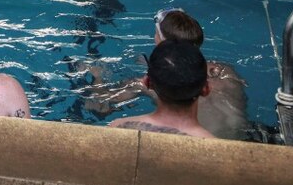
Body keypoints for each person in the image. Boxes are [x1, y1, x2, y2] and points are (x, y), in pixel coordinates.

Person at [84, 8, 247, 139]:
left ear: (149, 82)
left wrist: (97, 76)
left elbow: (100, 105)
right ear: (205, 89)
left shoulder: (120, 124)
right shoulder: (223, 72)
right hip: (242, 139)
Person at [109, 39, 214, 138]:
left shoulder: (117, 129)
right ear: (206, 89)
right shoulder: (219, 148)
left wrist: (98, 78)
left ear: (147, 83)